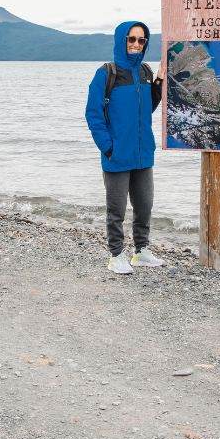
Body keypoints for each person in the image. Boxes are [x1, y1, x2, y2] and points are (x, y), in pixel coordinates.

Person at [84, 20, 167, 274]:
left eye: (141, 40)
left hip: (143, 154)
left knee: (145, 206)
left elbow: (146, 110)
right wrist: (108, 147)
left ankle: (141, 251)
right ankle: (116, 255)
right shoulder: (106, 74)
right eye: (131, 39)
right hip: (117, 155)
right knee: (116, 210)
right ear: (122, 41)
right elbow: (93, 114)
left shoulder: (144, 71)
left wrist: (158, 87)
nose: (136, 44)